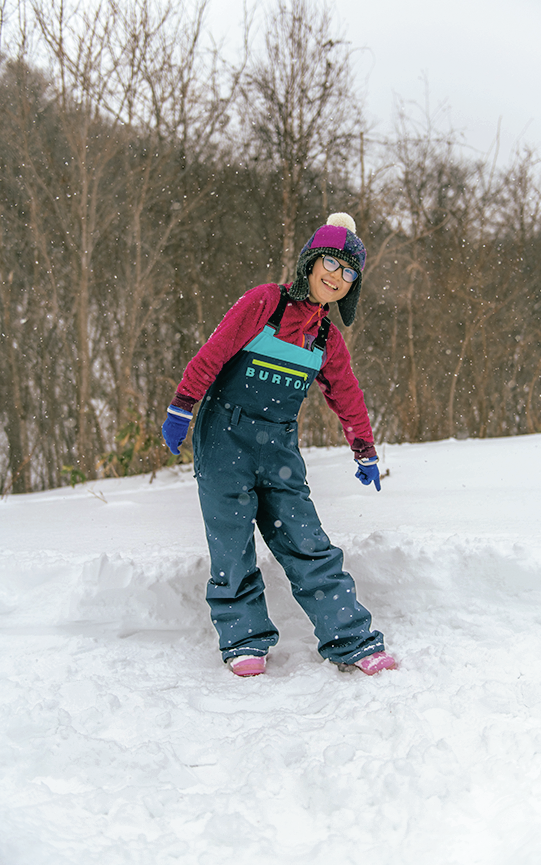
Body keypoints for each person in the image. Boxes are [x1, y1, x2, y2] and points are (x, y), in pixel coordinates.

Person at [162, 213, 396, 678]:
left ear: (353, 287)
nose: (336, 275)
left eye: (349, 272)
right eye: (330, 261)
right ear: (311, 262)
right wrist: (182, 406)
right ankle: (244, 639)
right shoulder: (266, 303)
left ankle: (350, 638)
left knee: (307, 541)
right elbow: (214, 352)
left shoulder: (326, 336)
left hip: (278, 445)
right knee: (230, 541)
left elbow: (346, 393)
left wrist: (364, 448)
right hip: (224, 435)